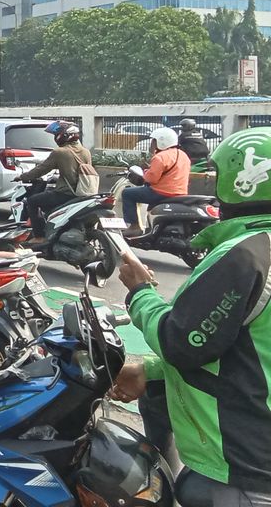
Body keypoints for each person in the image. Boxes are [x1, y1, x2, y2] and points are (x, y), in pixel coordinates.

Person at [110, 127, 271, 506]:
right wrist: (150, 369)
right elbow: (242, 347)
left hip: (241, 467)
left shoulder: (247, 255)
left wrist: (139, 291)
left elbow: (182, 342)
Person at [17, 121, 93, 240]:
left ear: (64, 136)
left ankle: (39, 237)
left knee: (32, 201)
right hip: (84, 193)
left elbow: (41, 169)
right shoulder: (85, 152)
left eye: (56, 135)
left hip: (66, 193)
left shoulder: (60, 152)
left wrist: (23, 176)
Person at [122, 126, 190, 235]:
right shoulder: (183, 155)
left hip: (162, 193)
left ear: (162, 142)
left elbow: (151, 179)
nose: (151, 144)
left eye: (154, 141)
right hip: (181, 193)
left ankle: (134, 227)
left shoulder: (160, 157)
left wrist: (145, 173)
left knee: (127, 193)